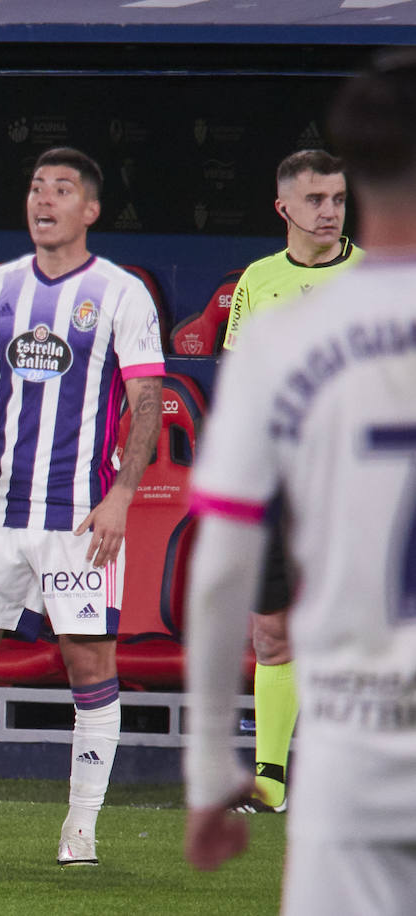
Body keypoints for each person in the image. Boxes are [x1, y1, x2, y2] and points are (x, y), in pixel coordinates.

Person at [184, 52, 416, 914]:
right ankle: (275, 766)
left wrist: (211, 766)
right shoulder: (263, 295)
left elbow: (218, 574)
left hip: (361, 739)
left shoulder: (298, 343)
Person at [0, 147, 165, 866]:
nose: (43, 199)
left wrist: (124, 495)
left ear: (89, 209)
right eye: (34, 187)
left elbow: (146, 399)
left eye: (61, 189)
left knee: (89, 664)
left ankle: (80, 827)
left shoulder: (121, 292)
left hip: (79, 515)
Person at [220, 149, 363, 815]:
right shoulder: (257, 280)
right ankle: (271, 780)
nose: (330, 211)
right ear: (284, 208)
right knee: (272, 631)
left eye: (337, 199)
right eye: (315, 200)